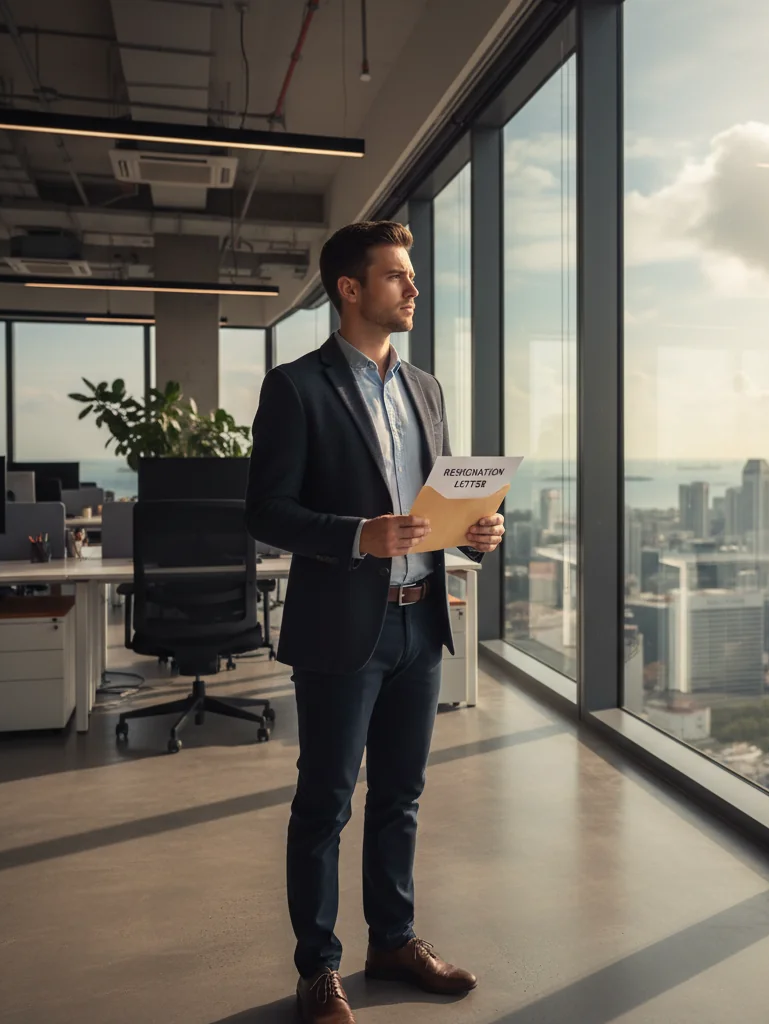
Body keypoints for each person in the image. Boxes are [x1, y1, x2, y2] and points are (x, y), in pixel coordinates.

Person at [245, 221, 505, 1024]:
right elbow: (266, 512)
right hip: (340, 630)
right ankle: (317, 968)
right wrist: (355, 536)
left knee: (401, 795)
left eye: (412, 275)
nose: (413, 288)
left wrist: (480, 530)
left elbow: (445, 498)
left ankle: (393, 939)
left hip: (420, 621)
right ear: (349, 290)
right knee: (325, 801)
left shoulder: (426, 388)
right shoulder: (296, 387)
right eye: (396, 276)